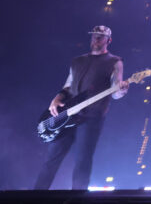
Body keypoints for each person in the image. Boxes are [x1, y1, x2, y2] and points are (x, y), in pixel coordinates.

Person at [33, 26, 129, 190]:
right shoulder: (78, 61)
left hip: (91, 118)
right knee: (52, 158)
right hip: (68, 115)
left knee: (83, 161)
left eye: (100, 37)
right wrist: (56, 99)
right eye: (94, 36)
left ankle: (78, 198)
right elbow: (68, 85)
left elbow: (115, 92)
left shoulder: (114, 61)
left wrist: (122, 90)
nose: (96, 40)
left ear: (108, 40)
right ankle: (36, 196)